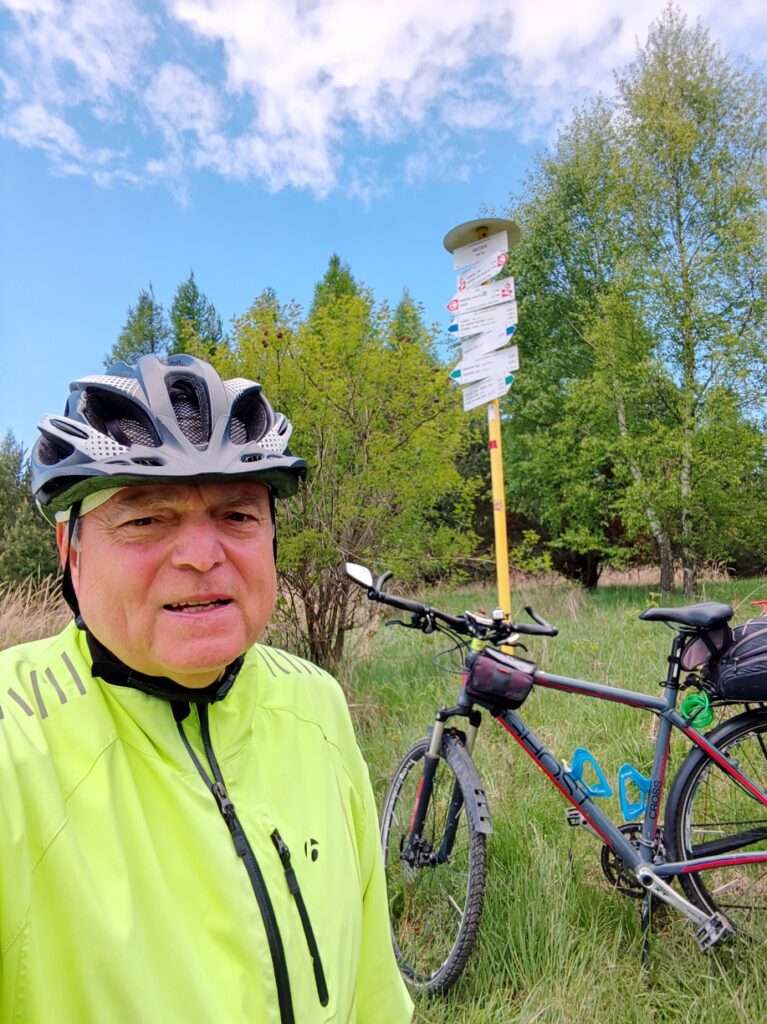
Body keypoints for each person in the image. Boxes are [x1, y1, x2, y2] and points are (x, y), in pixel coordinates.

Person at [0, 354, 413, 1023]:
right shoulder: (14, 742)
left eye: (237, 515)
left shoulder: (316, 702)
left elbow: (372, 992)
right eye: (145, 519)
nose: (201, 555)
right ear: (69, 549)